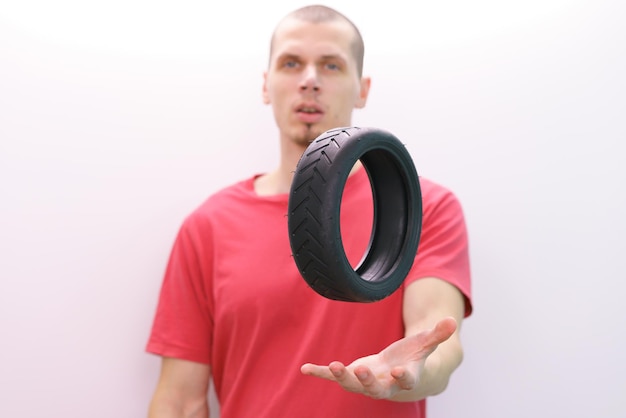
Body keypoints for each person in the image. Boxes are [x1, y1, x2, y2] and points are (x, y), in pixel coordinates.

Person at [146, 4, 472, 417]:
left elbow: (437, 342)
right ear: (266, 85)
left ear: (363, 88)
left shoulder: (422, 207)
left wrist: (414, 370)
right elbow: (179, 401)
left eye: (332, 65)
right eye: (291, 63)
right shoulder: (207, 226)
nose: (310, 80)